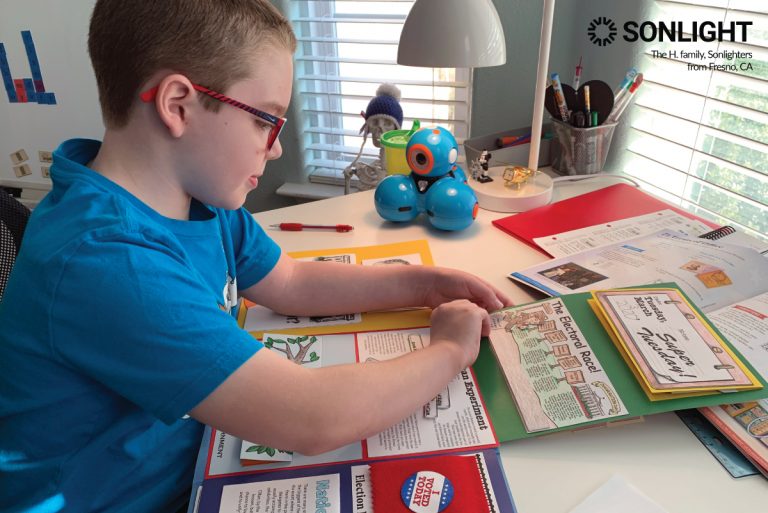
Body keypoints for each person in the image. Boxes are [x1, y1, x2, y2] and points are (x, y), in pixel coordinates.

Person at [0, 1, 512, 512]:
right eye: (266, 121)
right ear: (178, 105)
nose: (276, 149)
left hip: (193, 460)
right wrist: (450, 350)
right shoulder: (105, 261)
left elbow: (288, 281)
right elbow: (313, 418)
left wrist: (421, 285)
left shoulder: (196, 195)